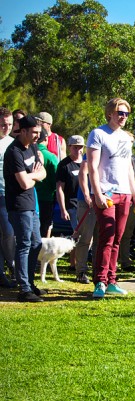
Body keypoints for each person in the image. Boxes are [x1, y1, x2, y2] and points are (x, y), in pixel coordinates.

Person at [87, 98, 135, 298]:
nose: (123, 117)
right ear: (110, 113)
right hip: (106, 193)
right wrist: (97, 193)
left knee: (118, 238)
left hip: (125, 193)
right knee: (106, 237)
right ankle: (100, 281)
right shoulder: (98, 134)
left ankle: (112, 280)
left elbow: (128, 169)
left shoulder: (126, 138)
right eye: (120, 113)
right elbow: (92, 167)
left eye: (126, 114)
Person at [4, 116, 47, 302]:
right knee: (24, 244)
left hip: (31, 202)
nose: (37, 136)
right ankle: (24, 289)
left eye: (39, 132)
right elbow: (23, 183)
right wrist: (34, 176)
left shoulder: (33, 147)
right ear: (23, 131)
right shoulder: (14, 152)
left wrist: (33, 176)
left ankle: (29, 282)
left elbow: (43, 172)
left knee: (36, 243)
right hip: (18, 204)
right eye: (34, 132)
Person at [56, 134, 84, 269]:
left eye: (80, 147)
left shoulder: (86, 162)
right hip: (72, 205)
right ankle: (75, 264)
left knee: (81, 235)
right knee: (78, 233)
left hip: (86, 203)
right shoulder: (64, 165)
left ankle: (75, 263)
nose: (78, 150)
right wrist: (63, 209)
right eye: (75, 147)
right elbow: (59, 188)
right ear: (69, 147)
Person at [73, 156, 97, 284]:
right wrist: (87, 195)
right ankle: (81, 272)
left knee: (101, 239)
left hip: (105, 200)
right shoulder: (92, 150)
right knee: (86, 237)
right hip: (87, 202)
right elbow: (82, 172)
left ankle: (99, 272)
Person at [0, 107, 16, 288]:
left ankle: (11, 265)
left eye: (10, 125)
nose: (7, 128)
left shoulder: (12, 143)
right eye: (3, 125)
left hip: (7, 194)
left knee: (9, 233)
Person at [35, 128, 58, 238]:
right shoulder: (50, 157)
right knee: (45, 226)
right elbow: (56, 179)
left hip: (30, 196)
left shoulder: (28, 153)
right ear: (46, 139)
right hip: (47, 197)